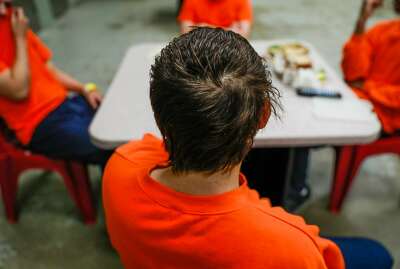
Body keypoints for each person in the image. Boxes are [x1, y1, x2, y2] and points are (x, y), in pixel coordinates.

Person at [103, 27, 393, 269]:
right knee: (378, 254)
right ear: (264, 114)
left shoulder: (121, 164)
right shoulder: (291, 248)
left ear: (158, 114)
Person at [0, 1, 111, 167]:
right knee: (109, 146)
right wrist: (20, 39)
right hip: (38, 125)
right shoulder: (18, 28)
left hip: (66, 105)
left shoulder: (12, 17)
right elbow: (19, 90)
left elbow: (48, 69)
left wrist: (85, 89)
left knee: (120, 124)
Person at [342, 0, 400, 134]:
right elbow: (352, 74)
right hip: (360, 102)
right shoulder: (382, 30)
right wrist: (362, 21)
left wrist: (367, 87)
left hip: (389, 119)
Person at [177, 0, 252, 38]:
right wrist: (229, 30)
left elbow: (243, 34)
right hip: (199, 46)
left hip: (229, 47)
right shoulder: (192, 1)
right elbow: (185, 32)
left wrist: (204, 27)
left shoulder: (241, 1)